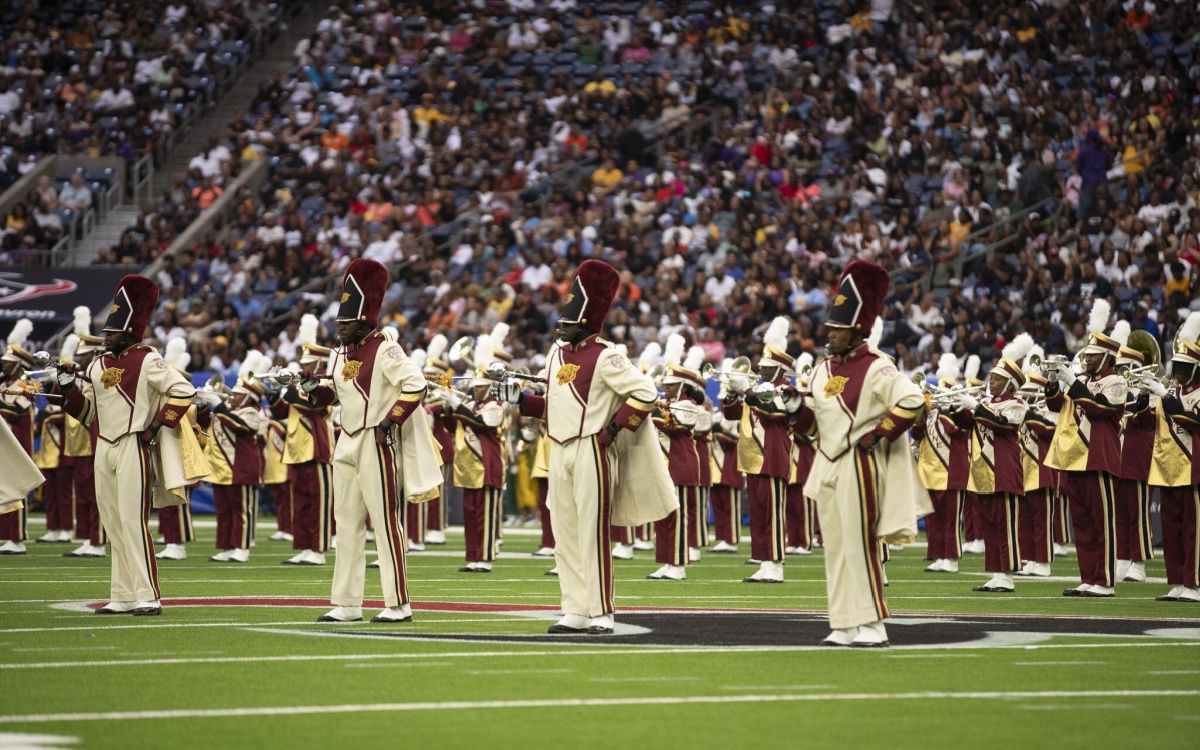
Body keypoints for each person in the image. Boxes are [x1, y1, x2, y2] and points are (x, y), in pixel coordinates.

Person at [507, 259, 674, 634]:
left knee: (592, 533)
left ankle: (601, 612)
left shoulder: (607, 354)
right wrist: (520, 400)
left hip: (592, 450)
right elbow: (553, 403)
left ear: (585, 321)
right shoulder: (555, 355)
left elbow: (645, 393)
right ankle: (575, 609)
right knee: (564, 533)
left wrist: (613, 428)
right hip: (560, 447)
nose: (560, 325)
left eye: (568, 320)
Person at [792, 260, 927, 647]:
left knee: (860, 544)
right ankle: (844, 623)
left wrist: (878, 435)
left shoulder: (877, 366)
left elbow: (912, 400)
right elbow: (813, 425)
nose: (829, 334)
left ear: (856, 330)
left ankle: (873, 623)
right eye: (829, 328)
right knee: (834, 548)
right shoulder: (821, 369)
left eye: (837, 329)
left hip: (859, 463)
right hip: (828, 463)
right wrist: (791, 409)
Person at [304, 259, 441, 623]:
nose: (340, 327)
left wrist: (389, 422)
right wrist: (310, 391)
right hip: (346, 439)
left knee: (384, 522)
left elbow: (416, 385)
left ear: (365, 319)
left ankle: (398, 603)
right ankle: (347, 603)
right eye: (338, 321)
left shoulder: (386, 347)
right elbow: (333, 391)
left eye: (346, 322)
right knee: (345, 523)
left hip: (375, 442)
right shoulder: (338, 353)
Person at [60, 275, 199, 615]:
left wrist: (155, 424)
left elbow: (184, 391)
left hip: (133, 444)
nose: (106, 336)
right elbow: (89, 413)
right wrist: (67, 391)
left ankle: (148, 594)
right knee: (111, 521)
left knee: (132, 520)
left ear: (129, 331)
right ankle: (121, 595)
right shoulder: (97, 365)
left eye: (112, 331)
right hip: (104, 446)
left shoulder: (148, 358)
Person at [1044, 300, 1127, 597]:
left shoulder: (1116, 381)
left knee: (1101, 521)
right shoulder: (1080, 380)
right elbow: (1056, 405)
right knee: (1081, 521)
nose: (1087, 360)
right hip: (1074, 458)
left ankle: (1104, 580)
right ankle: (1088, 576)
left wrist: (1073, 383)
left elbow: (1098, 409)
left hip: (1098, 457)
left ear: (1106, 358)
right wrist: (1053, 381)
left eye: (1093, 357)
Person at [956, 336, 1034, 593]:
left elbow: (1004, 424)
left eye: (998, 379)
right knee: (989, 525)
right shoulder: (986, 403)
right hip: (983, 472)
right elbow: (969, 425)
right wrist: (960, 408)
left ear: (1010, 383)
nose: (992, 382)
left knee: (1006, 524)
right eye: (992, 377)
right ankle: (995, 571)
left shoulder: (1017, 403)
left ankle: (1008, 574)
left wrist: (975, 406)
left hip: (1004, 470)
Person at [722, 316, 795, 584]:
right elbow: (731, 415)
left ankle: (776, 564)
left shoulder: (786, 390)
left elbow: (773, 411)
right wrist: (731, 393)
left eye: (768, 368)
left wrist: (750, 391)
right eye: (761, 367)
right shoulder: (759, 388)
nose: (762, 371)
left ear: (779, 370)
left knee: (773, 513)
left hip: (773, 457)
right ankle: (764, 561)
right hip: (752, 457)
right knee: (758, 512)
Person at [1147, 319, 1200, 603]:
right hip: (1167, 468)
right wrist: (1144, 394)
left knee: (1193, 529)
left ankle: (1193, 583)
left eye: (1184, 366)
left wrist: (1164, 396)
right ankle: (1178, 580)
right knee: (1172, 529)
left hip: (1193, 468)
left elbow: (1190, 420)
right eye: (1176, 365)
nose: (1177, 370)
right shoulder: (1170, 394)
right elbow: (1143, 420)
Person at [199, 356, 269, 564]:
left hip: (241, 468)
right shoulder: (228, 410)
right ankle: (227, 546)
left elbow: (240, 427)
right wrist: (203, 404)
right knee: (224, 511)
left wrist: (218, 405)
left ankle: (242, 547)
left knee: (241, 511)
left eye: (238, 394)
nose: (233, 396)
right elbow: (205, 422)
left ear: (248, 398)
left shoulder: (251, 412)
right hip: (222, 468)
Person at [274, 327, 335, 566]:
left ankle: (318, 549)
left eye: (309, 363)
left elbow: (318, 408)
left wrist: (289, 390)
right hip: (296, 448)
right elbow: (281, 412)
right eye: (303, 362)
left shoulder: (327, 384)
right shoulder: (299, 385)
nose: (304, 366)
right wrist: (274, 395)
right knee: (299, 503)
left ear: (319, 364)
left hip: (316, 447)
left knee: (318, 500)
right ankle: (303, 546)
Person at [450, 336, 507, 574]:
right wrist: (446, 407)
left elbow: (481, 424)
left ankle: (484, 557)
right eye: (475, 385)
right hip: (468, 467)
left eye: (480, 385)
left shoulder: (497, 405)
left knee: (485, 514)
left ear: (488, 386)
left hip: (487, 465)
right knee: (470, 514)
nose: (475, 388)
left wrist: (456, 405)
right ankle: (472, 556)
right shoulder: (471, 404)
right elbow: (454, 426)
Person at [649, 337, 701, 581]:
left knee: (678, 516)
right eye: (666, 384)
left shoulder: (688, 405)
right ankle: (666, 560)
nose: (666, 388)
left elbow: (675, 427)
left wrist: (653, 412)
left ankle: (678, 563)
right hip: (663, 466)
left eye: (671, 385)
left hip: (680, 464)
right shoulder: (667, 404)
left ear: (681, 386)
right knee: (662, 515)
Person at [913, 354, 970, 573]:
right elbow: (917, 433)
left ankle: (951, 558)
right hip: (929, 472)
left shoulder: (958, 413)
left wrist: (947, 407)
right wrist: (922, 412)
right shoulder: (929, 412)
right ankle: (937, 554)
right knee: (933, 519)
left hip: (951, 472)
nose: (936, 396)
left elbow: (960, 428)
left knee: (950, 519)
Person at [1114, 334, 1156, 583]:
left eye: (1124, 368)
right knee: (1119, 513)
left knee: (1138, 512)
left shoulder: (1149, 390)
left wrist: (1139, 392)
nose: (1120, 373)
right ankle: (1121, 558)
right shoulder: (1116, 390)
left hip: (1137, 457)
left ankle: (1138, 562)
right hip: (1116, 458)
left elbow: (1147, 419)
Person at [64, 330, 106, 558]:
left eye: (85, 356)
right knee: (82, 494)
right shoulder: (81, 376)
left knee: (95, 495)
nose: (80, 360)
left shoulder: (100, 378)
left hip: (95, 443)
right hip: (80, 445)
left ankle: (97, 540)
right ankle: (86, 538)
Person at [155, 337, 198, 561]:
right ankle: (171, 539)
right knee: (165, 498)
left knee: (177, 499)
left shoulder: (187, 404)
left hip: (180, 456)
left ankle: (178, 543)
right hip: (165, 452)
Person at [1015, 367, 1058, 579]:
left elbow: (1051, 431)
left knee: (1042, 521)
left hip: (1042, 472)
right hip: (1022, 473)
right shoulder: (1020, 411)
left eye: (1030, 392)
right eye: (1024, 392)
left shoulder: (1049, 410)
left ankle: (1043, 562)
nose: (1026, 396)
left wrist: (1030, 414)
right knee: (1024, 521)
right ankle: (1029, 559)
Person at [0, 320, 37, 555]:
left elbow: (17, 411)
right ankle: (6, 535)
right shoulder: (4, 384)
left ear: (17, 366)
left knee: (18, 490)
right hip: (5, 444)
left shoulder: (27, 385)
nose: (4, 365)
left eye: (8, 363)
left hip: (20, 442)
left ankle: (18, 538)